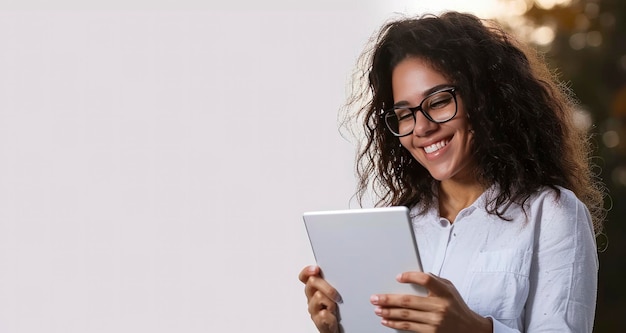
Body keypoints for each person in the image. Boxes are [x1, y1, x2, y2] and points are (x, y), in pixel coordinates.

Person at [298, 11, 606, 333]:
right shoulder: (398, 228)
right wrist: (339, 327)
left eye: (439, 101)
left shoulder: (553, 214)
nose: (422, 127)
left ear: (485, 97)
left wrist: (475, 329)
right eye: (404, 115)